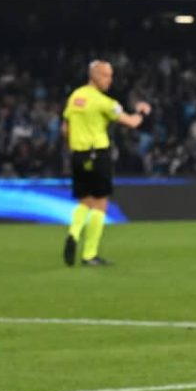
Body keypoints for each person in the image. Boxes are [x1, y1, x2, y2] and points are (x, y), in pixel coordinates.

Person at [60, 60, 150, 267]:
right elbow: (131, 122)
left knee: (84, 202)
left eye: (110, 75)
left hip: (78, 154)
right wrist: (142, 111)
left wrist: (76, 144)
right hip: (98, 154)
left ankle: (73, 233)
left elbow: (65, 128)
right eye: (105, 75)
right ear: (94, 76)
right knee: (100, 203)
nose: (109, 80)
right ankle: (89, 254)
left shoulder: (75, 97)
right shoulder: (104, 102)